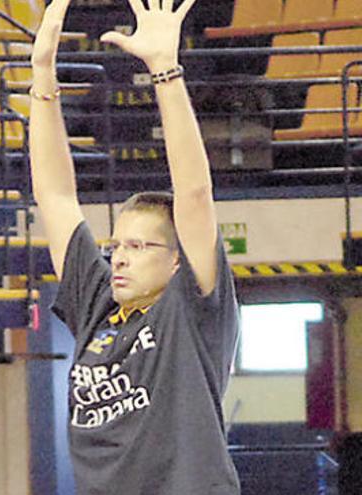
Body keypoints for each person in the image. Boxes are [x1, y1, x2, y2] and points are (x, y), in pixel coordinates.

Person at [29, 0, 241, 494]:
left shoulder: (192, 309)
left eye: (139, 246)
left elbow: (193, 193)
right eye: (116, 245)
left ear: (175, 262)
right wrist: (42, 79)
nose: (119, 256)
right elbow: (56, 196)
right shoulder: (100, 304)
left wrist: (165, 72)